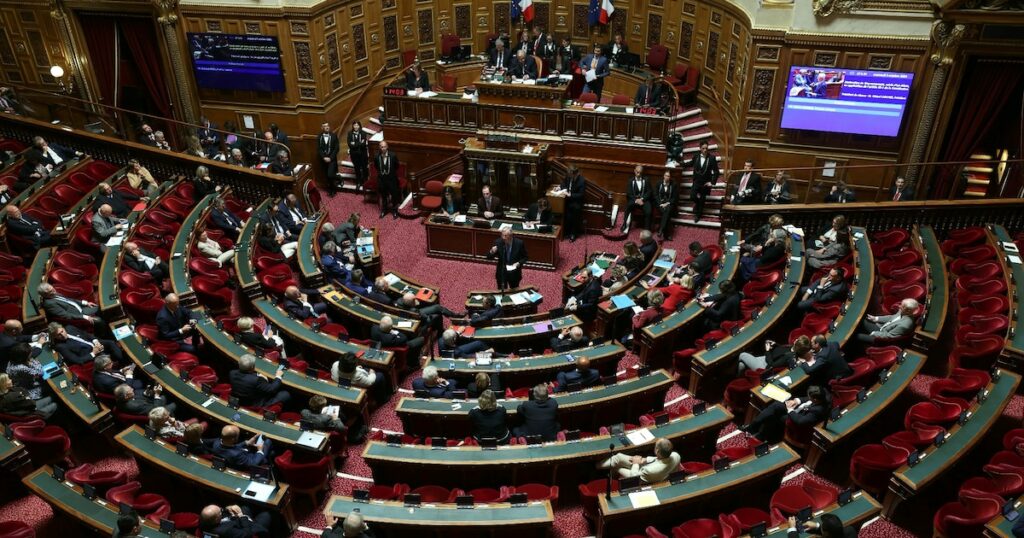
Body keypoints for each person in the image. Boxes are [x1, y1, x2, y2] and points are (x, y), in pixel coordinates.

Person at [741, 385, 831, 443]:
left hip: (796, 419)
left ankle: (759, 434)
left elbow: (800, 421)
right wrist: (796, 400)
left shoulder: (818, 411)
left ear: (815, 400)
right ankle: (753, 427)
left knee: (774, 415)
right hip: (797, 409)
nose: (808, 397)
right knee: (776, 405)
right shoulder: (823, 394)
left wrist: (790, 410)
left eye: (810, 397)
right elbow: (806, 398)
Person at [598, 438, 680, 483]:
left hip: (638, 476)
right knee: (619, 457)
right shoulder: (676, 455)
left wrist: (636, 463)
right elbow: (660, 459)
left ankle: (597, 468)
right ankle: (599, 465)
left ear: (657, 451)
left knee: (617, 466)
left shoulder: (649, 470)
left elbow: (634, 476)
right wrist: (643, 460)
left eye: (655, 446)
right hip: (648, 469)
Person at [48, 321, 124, 366]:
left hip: (94, 344)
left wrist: (95, 341)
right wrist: (93, 353)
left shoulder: (69, 328)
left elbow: (86, 334)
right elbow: (77, 360)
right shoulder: (61, 346)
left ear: (63, 328)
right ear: (54, 337)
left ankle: (122, 361)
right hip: (91, 355)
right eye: (58, 335)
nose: (62, 335)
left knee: (111, 342)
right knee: (105, 357)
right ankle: (119, 365)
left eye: (62, 331)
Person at [208, 425, 274, 471]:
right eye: (238, 435)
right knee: (268, 442)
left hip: (237, 458)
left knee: (269, 451)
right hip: (247, 463)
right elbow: (252, 463)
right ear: (234, 439)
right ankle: (267, 461)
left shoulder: (216, 443)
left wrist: (246, 443)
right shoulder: (236, 454)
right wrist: (259, 450)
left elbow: (230, 447)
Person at [738, 335, 812, 375]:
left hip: (763, 366)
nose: (796, 339)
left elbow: (772, 364)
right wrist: (775, 344)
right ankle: (739, 376)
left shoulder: (789, 356)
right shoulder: (792, 348)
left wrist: (767, 350)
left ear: (797, 345)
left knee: (742, 355)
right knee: (742, 365)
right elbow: (782, 350)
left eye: (797, 340)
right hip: (765, 358)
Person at [199, 504, 273, 538]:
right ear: (216, 519)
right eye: (221, 511)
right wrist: (241, 516)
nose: (222, 510)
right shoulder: (226, 531)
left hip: (235, 521)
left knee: (245, 507)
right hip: (246, 527)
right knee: (266, 514)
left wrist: (229, 508)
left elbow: (220, 512)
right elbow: (247, 533)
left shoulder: (204, 519)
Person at [689, 141, 719, 222]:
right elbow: (690, 163)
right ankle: (698, 204)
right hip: (696, 181)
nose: (705, 150)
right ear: (700, 148)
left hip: (705, 183)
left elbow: (716, 172)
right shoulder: (696, 156)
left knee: (702, 200)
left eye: (706, 148)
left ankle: (698, 216)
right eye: (703, 148)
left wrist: (712, 182)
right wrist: (680, 164)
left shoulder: (712, 158)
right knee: (692, 196)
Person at [374, 141, 401, 219]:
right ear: (379, 147)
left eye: (384, 146)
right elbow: (376, 166)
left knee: (394, 196)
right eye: (381, 147)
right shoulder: (376, 156)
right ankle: (384, 210)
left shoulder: (393, 155)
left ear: (387, 146)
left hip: (391, 180)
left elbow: (397, 166)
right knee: (384, 196)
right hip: (382, 180)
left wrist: (390, 173)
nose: (383, 148)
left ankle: (395, 211)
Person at [622, 165, 653, 232]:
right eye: (637, 172)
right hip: (634, 200)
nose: (638, 174)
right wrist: (636, 200)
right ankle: (624, 224)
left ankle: (647, 229)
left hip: (643, 200)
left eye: (640, 173)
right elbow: (629, 193)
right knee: (628, 207)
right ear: (634, 171)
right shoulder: (630, 180)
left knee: (649, 211)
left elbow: (649, 191)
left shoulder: (646, 180)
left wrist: (642, 199)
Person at [559, 166, 586, 242]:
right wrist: (561, 188)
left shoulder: (581, 181)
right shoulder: (568, 177)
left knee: (574, 217)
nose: (569, 176)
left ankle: (573, 234)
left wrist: (570, 195)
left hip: (576, 202)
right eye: (569, 175)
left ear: (576, 174)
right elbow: (563, 184)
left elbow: (581, 194)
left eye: (571, 175)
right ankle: (565, 232)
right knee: (565, 215)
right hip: (567, 201)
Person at [317, 122, 341, 193]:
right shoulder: (319, 137)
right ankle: (331, 189)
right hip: (323, 160)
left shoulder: (334, 135)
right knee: (327, 176)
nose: (327, 127)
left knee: (330, 175)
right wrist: (324, 157)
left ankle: (338, 180)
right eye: (325, 126)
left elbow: (337, 148)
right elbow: (319, 149)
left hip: (332, 159)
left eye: (328, 126)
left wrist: (330, 158)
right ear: (322, 128)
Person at [788, 513, 856, 538]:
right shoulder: (850, 531)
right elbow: (832, 532)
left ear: (826, 534)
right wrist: (817, 526)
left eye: (822, 525)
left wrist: (792, 529)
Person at [654, 170, 678, 241]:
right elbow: (655, 195)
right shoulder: (658, 183)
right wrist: (660, 204)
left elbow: (674, 197)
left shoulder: (674, 184)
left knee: (667, 211)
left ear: (670, 177)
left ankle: (661, 229)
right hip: (660, 204)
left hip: (669, 204)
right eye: (666, 175)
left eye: (669, 176)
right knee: (667, 213)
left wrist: (667, 203)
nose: (667, 177)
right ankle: (667, 234)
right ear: (663, 176)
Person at [348, 121, 370, 190]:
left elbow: (363, 145)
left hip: (363, 155)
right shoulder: (350, 134)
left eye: (357, 125)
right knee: (357, 169)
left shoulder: (363, 133)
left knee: (364, 168)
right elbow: (350, 145)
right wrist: (359, 143)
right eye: (354, 125)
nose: (356, 127)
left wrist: (355, 144)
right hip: (354, 155)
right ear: (353, 126)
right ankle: (358, 182)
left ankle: (365, 182)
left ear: (359, 126)